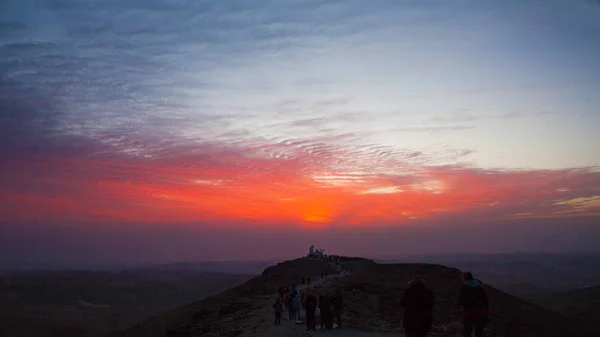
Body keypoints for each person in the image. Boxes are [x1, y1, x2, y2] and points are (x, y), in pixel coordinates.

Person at [459, 272, 489, 337]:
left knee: (468, 331)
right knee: (479, 332)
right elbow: (485, 301)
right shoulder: (479, 287)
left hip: (469, 312)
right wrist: (486, 313)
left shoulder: (464, 287)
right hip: (481, 311)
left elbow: (461, 300)